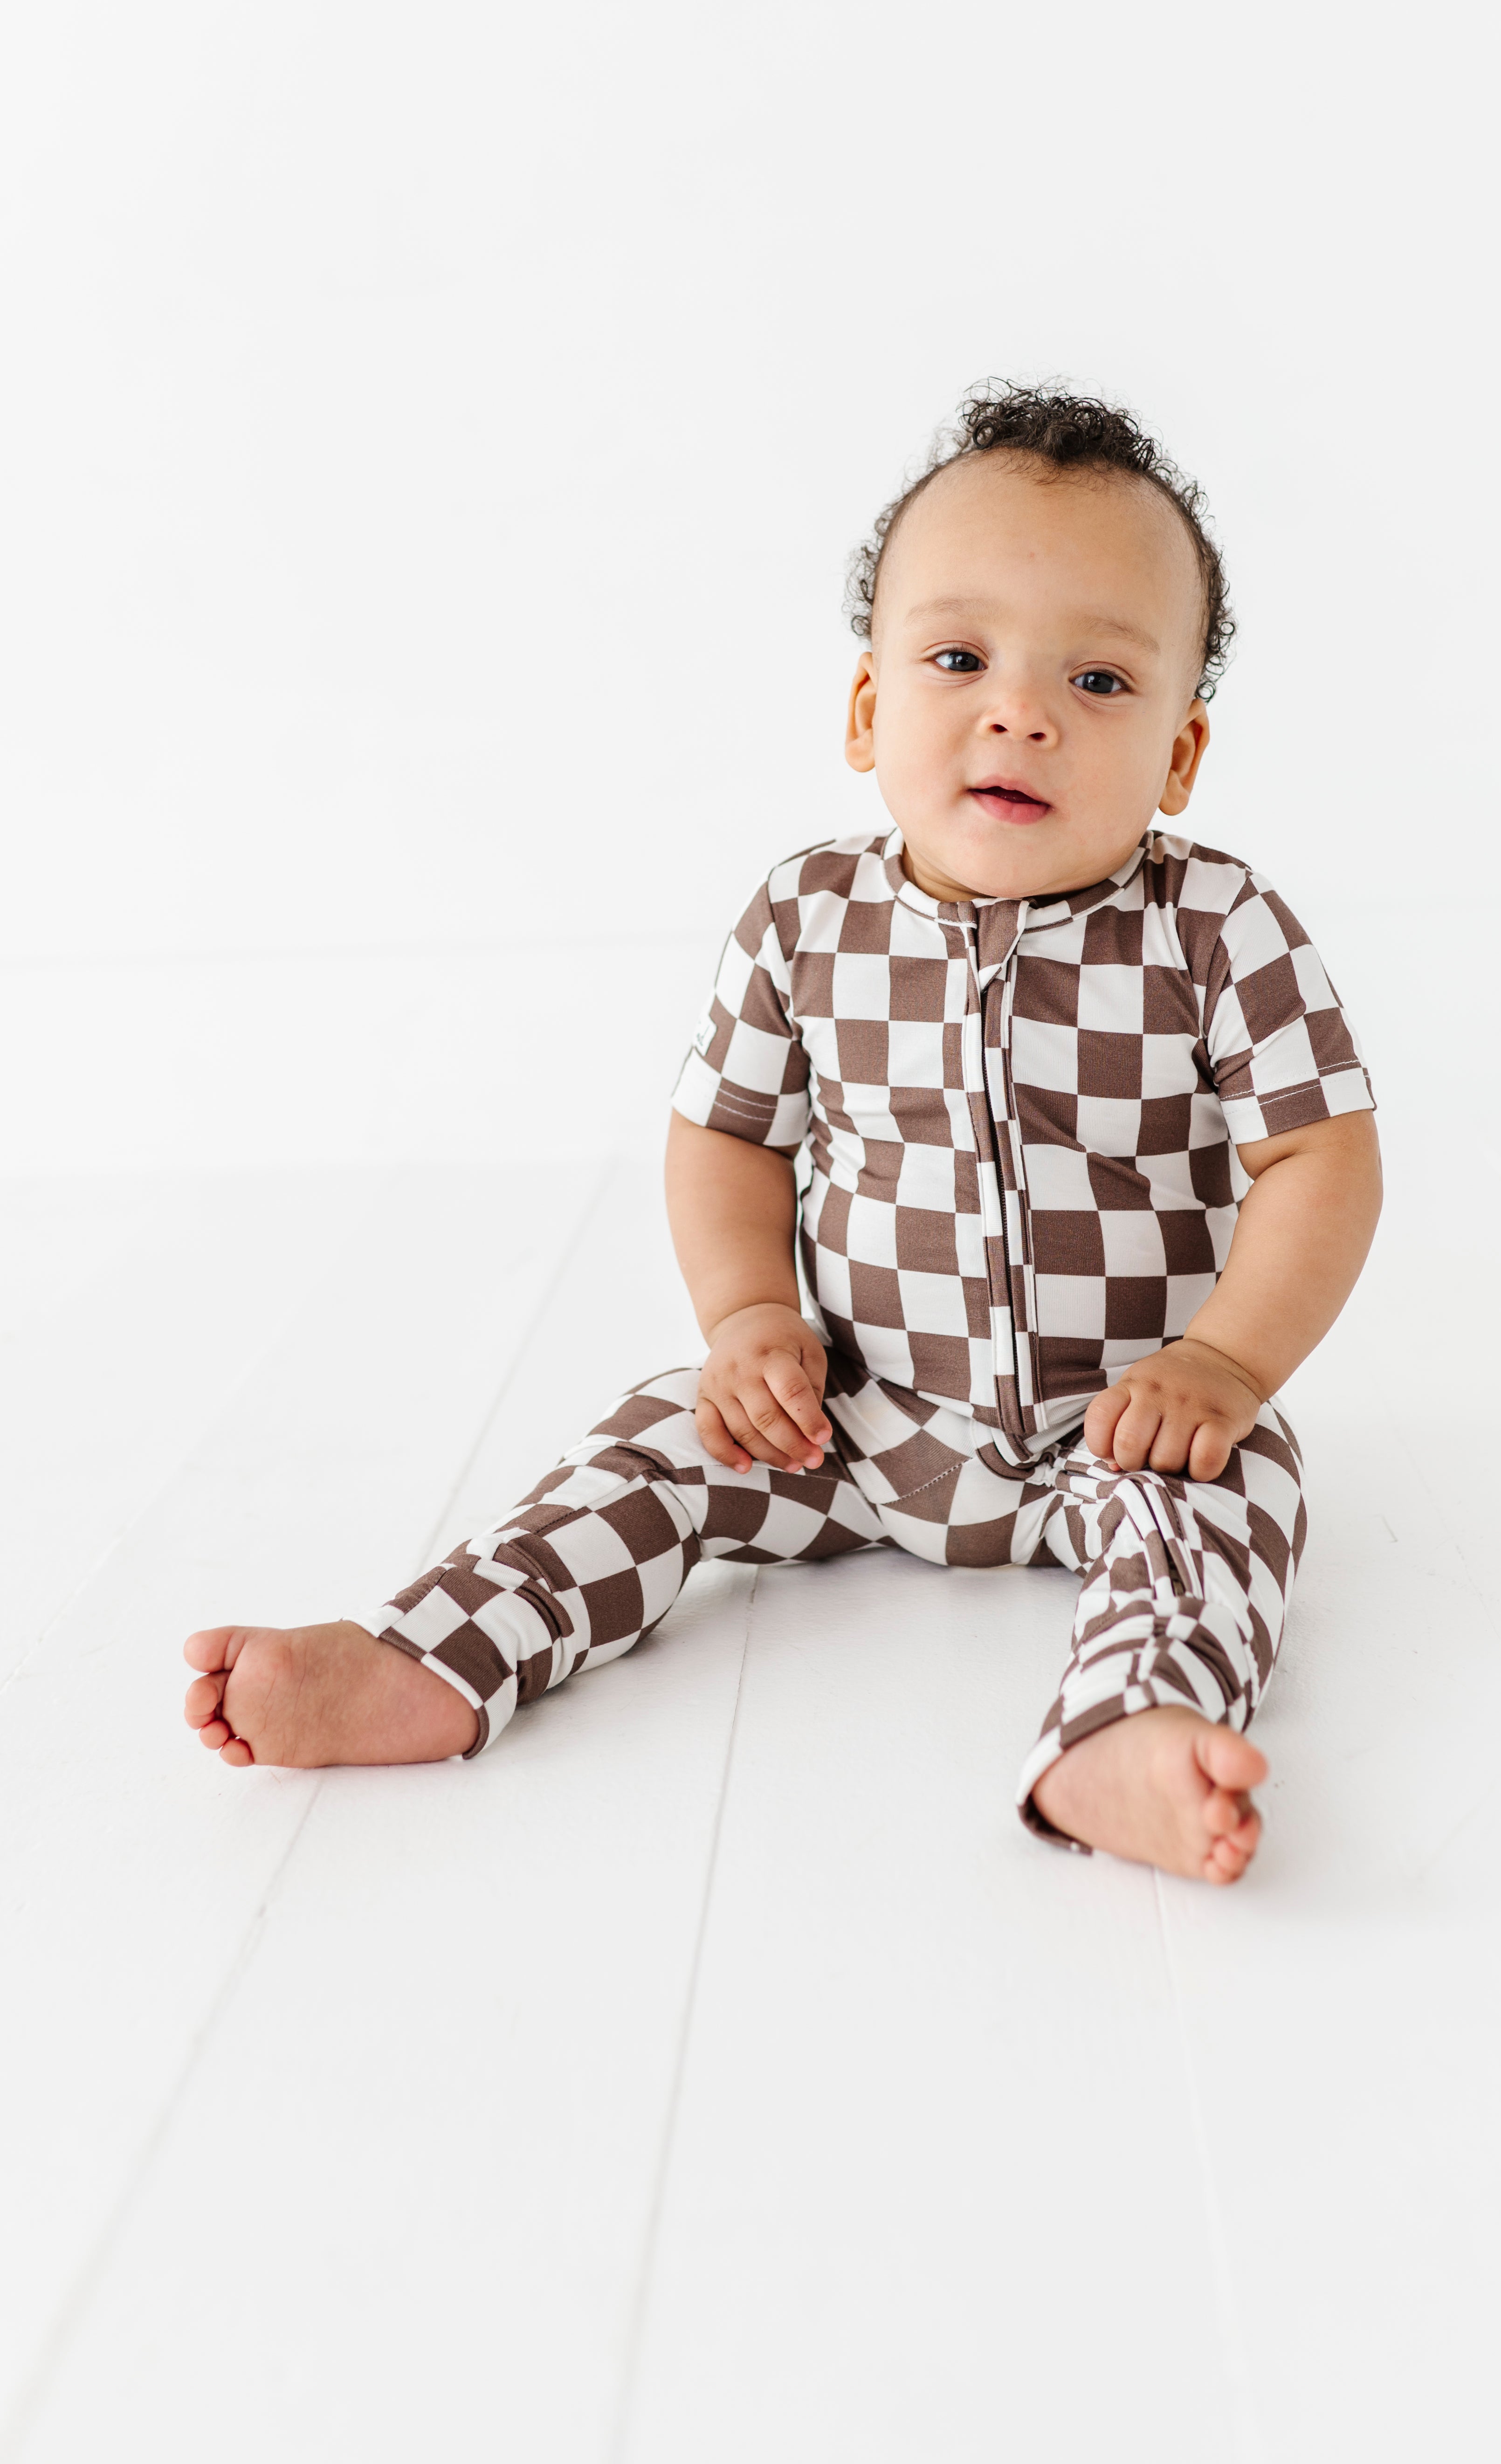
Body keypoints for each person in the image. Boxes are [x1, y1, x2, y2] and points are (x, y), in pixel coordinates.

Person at [181, 386, 1383, 1885]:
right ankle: (432, 1657)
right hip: (851, 1418)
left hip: (1122, 1426)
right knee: (651, 1447)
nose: (1022, 711)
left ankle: (1124, 1731)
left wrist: (1227, 1365)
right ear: (872, 708)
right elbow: (729, 1138)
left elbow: (1319, 1157)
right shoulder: (809, 918)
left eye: (1098, 679)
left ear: (1183, 758)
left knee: (1239, 1500)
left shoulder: (1221, 929)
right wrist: (754, 1320)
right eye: (960, 659)